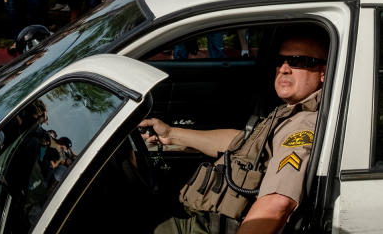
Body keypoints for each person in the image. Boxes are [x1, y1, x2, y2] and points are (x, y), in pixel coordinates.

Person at [141, 28, 328, 234]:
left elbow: (277, 204)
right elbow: (241, 142)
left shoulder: (302, 126)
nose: (284, 68)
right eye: (280, 60)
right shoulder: (288, 112)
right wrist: (170, 134)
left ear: (323, 72)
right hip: (204, 219)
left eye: (297, 61)